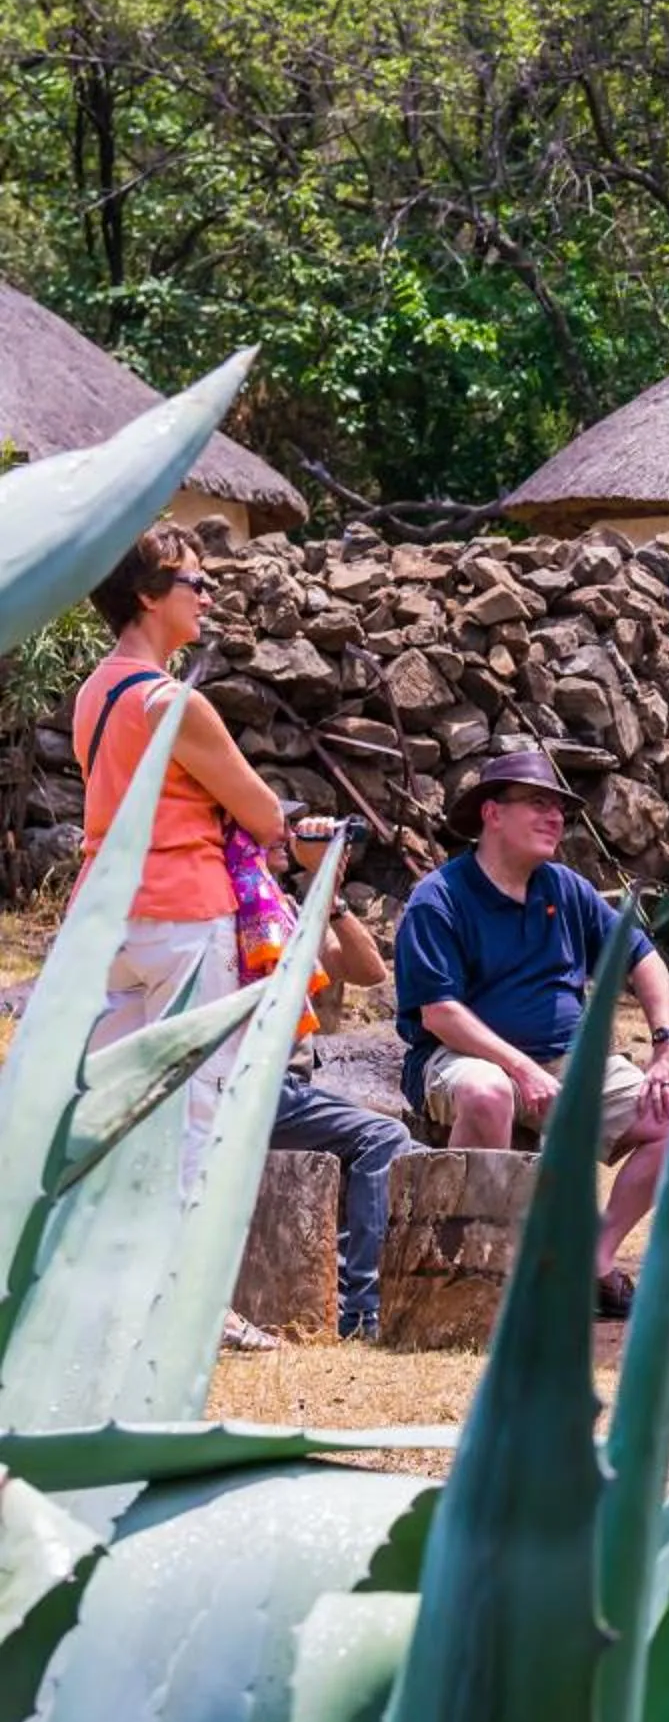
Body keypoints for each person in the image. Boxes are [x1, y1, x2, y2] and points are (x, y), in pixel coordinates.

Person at [73, 525, 289, 1348]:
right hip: (183, 915)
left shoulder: (98, 691)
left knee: (96, 1103)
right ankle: (191, 1303)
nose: (206, 594)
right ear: (146, 595)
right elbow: (263, 813)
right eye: (192, 582)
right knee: (200, 1108)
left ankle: (87, 1283)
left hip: (106, 918)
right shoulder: (176, 703)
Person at [394, 750, 669, 1318]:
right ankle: (475, 1269)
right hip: (459, 1057)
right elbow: (439, 1014)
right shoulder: (440, 897)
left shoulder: (566, 888)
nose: (555, 818)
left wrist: (666, 1044)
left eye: (560, 809)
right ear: (491, 814)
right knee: (488, 1091)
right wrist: (519, 1067)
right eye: (538, 805)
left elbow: (645, 961)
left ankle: (593, 1260)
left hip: (569, 1062)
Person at [264, 817, 417, 1340]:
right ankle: (362, 1308)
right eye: (275, 827)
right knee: (385, 1137)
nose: (284, 836)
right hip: (262, 1092)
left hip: (289, 1090)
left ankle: (354, 1294)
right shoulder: (246, 905)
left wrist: (327, 894)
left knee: (397, 1145)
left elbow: (367, 969)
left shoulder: (278, 904)